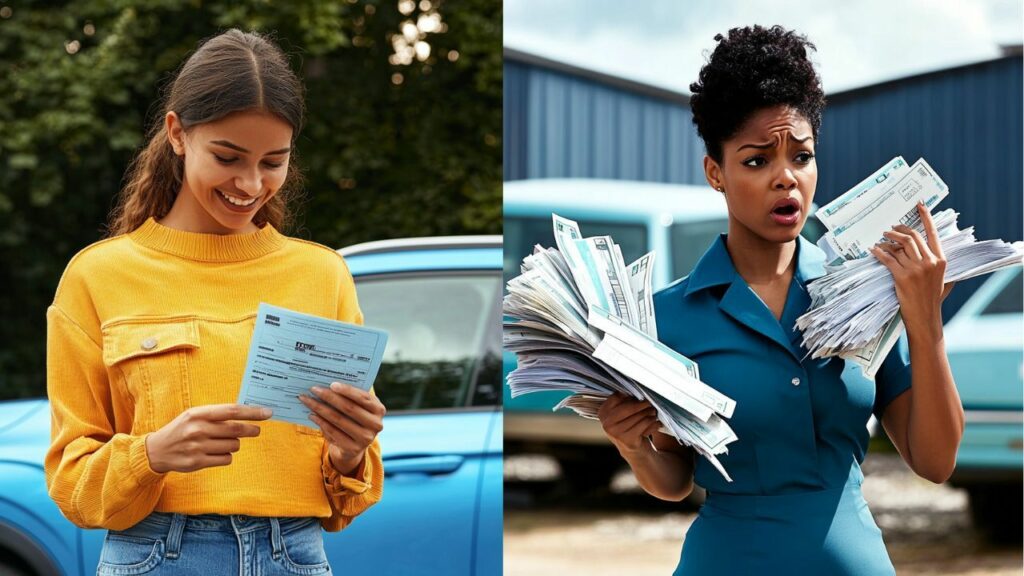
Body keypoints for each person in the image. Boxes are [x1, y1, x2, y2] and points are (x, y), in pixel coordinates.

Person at [596, 25, 964, 575]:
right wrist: (632, 446)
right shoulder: (666, 319)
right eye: (756, 160)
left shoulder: (864, 293)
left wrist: (924, 320)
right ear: (715, 173)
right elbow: (672, 482)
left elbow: (935, 462)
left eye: (802, 156)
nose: (786, 178)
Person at [44, 29, 385, 575]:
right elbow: (73, 484)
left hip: (295, 557)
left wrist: (350, 451)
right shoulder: (97, 276)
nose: (250, 184)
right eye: (228, 156)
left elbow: (346, 502)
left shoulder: (322, 273)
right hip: (154, 557)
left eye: (273, 162)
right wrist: (151, 454)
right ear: (177, 133)